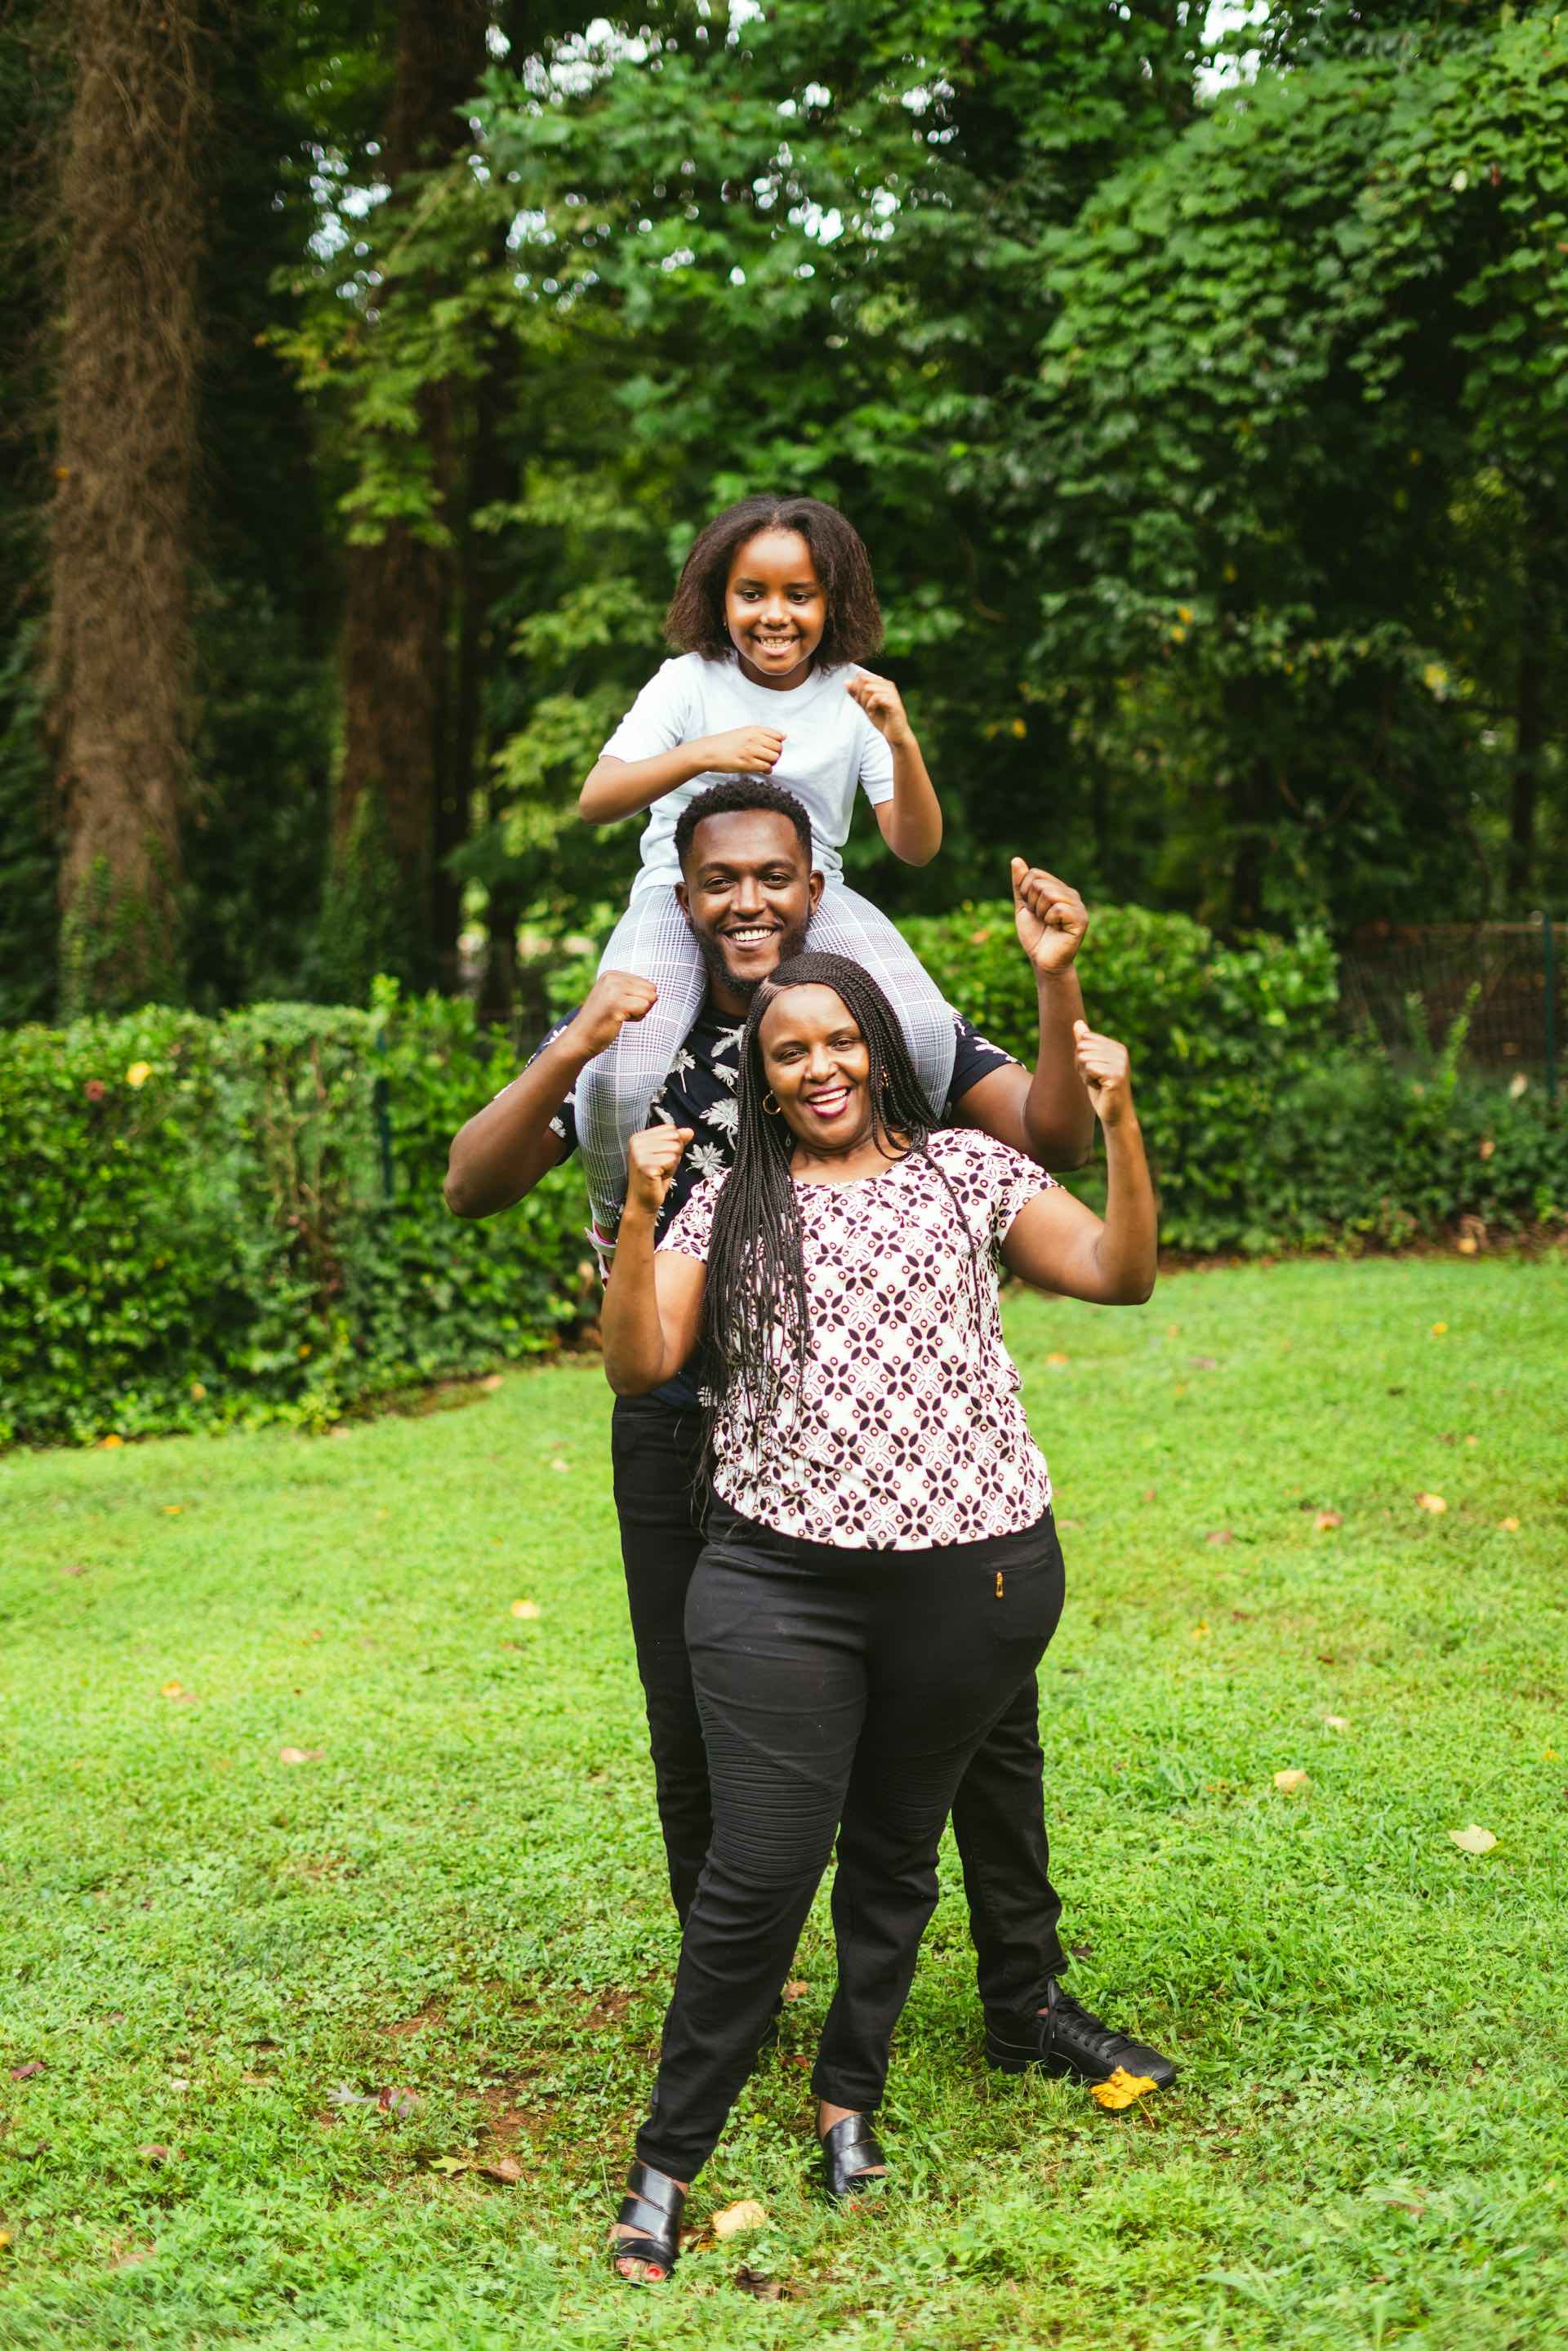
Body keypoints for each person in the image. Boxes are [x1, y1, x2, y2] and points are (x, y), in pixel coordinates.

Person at [444, 777, 1176, 2098]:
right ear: (684, 897)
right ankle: (746, 1994)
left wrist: (1060, 992)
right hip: (682, 1420)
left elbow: (1051, 1136)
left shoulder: (877, 1024)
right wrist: (572, 1045)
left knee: (992, 1728)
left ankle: (1027, 1996)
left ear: (814, 886)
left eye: (775, 875)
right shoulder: (632, 1029)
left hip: (881, 1439)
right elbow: (472, 1183)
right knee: (699, 1728)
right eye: (721, 879)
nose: (749, 901)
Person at [598, 951, 1158, 2280]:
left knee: (900, 1854)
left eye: (840, 1041)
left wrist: (1121, 1121)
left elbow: (1119, 1269)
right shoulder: (725, 1199)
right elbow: (639, 1360)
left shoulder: (972, 1169)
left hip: (974, 1577)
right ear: (767, 1077)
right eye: (791, 1052)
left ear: (880, 1050)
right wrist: (635, 1206)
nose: (821, 1067)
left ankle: (850, 2098)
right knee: (763, 1872)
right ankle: (666, 2158)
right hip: (779, 1579)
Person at [573, 493, 955, 1244]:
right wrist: (701, 754)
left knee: (929, 1034)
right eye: (752, 594)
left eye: (798, 595)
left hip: (815, 899)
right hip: (678, 899)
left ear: (830, 601)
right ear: (721, 599)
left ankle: (904, 1203)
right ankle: (617, 1228)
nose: (774, 615)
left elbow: (916, 845)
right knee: (618, 1073)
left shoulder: (853, 693)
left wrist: (902, 741)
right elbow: (596, 799)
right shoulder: (687, 681)